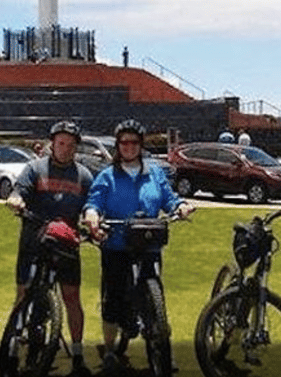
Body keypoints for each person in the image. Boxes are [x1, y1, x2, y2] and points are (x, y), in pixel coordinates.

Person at [83, 119, 195, 374]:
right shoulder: (107, 175)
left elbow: (169, 198)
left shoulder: (154, 173)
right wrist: (91, 215)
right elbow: (94, 202)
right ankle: (110, 350)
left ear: (140, 145)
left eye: (134, 142)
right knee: (113, 299)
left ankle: (160, 344)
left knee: (156, 300)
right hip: (117, 244)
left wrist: (181, 206)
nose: (129, 147)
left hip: (149, 244)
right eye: (124, 142)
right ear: (118, 146)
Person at [6, 120, 94, 376]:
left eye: (70, 145)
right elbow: (19, 191)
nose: (65, 148)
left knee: (71, 297)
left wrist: (91, 216)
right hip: (34, 239)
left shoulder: (84, 175)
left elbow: (92, 204)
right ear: (52, 143)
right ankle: (12, 347)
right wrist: (15, 200)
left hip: (67, 242)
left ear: (76, 147)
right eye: (61, 143)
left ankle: (77, 356)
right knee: (23, 294)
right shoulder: (34, 168)